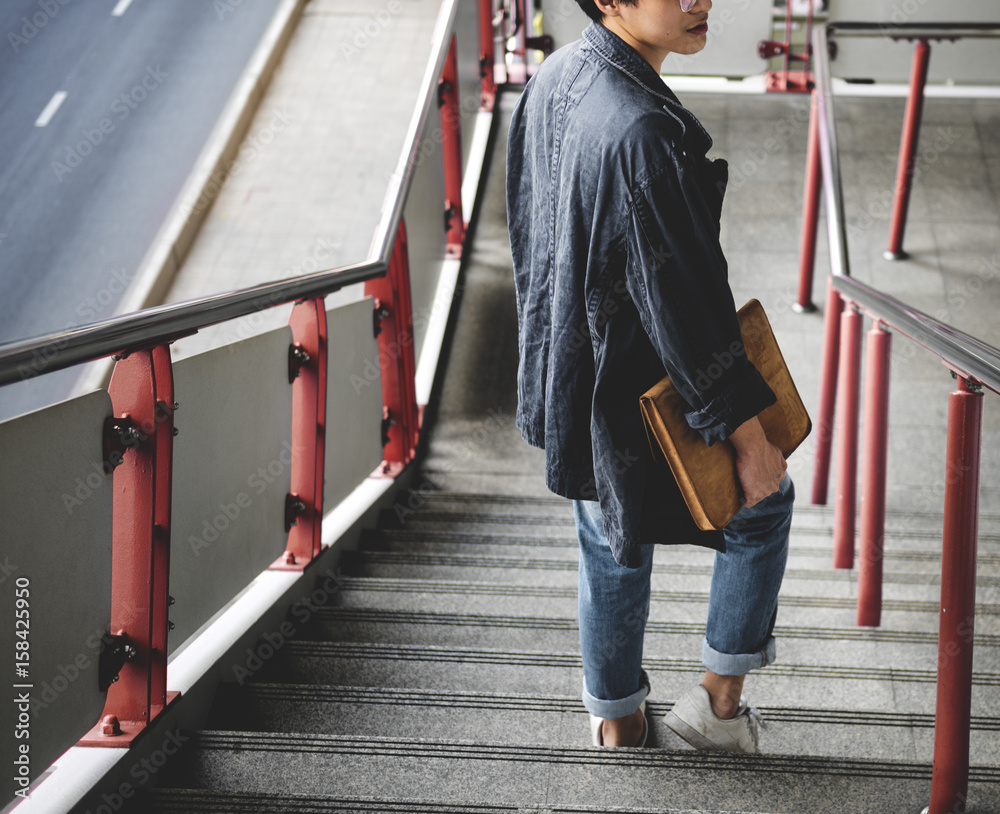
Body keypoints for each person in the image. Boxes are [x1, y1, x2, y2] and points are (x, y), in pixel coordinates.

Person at [505, 0, 794, 752]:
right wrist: (745, 433)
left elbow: (528, 226)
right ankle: (717, 712)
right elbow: (688, 310)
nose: (701, 0)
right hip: (636, 387)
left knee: (607, 534)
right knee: (764, 503)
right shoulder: (644, 134)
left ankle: (617, 720)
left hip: (572, 375)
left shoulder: (556, 74)